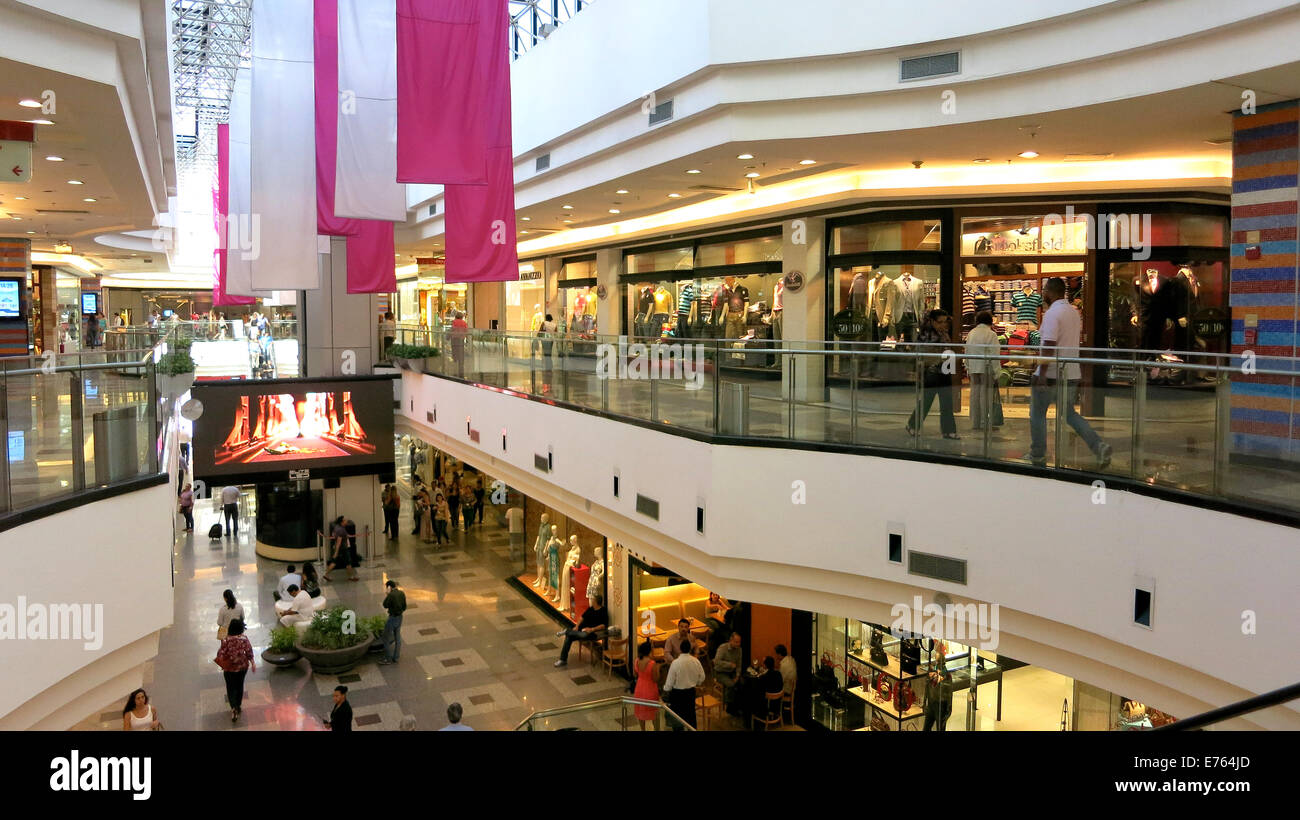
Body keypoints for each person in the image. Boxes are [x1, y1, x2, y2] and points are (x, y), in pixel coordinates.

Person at [1029, 277, 1113, 469]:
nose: (1043, 294)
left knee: (1037, 414)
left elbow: (1049, 344)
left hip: (1050, 374)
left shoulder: (1052, 314)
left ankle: (1037, 454)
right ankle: (1098, 446)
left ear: (1051, 292)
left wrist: (1041, 373)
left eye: (1044, 290)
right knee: (1069, 414)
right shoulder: (1073, 313)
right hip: (1071, 373)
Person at [906, 309, 959, 440]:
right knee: (926, 401)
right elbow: (921, 354)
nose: (942, 325)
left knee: (947, 401)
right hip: (932, 371)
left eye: (944, 322)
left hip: (945, 369)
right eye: (939, 322)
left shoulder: (944, 333)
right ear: (933, 321)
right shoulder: (926, 335)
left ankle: (948, 430)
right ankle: (913, 425)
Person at [964, 310, 1004, 431]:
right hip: (986, 368)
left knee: (975, 395)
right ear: (990, 321)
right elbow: (994, 354)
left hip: (973, 367)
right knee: (985, 396)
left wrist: (967, 367)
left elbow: (967, 351)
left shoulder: (971, 333)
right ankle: (984, 423)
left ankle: (975, 422)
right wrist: (997, 372)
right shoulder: (991, 334)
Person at [214, 618, 255, 722]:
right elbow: (249, 651)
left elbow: (221, 654)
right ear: (241, 628)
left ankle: (233, 708)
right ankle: (238, 705)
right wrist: (253, 663)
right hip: (242, 667)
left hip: (229, 668)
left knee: (230, 687)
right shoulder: (244, 638)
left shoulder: (226, 640)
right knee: (239, 685)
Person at [662, 636, 706, 729]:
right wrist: (696, 683)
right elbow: (702, 677)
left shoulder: (676, 663)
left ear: (680, 649)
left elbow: (669, 683)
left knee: (677, 719)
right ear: (690, 649)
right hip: (690, 692)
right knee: (691, 716)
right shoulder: (696, 661)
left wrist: (665, 690)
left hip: (677, 694)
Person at [554, 594, 609, 667]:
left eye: (593, 600)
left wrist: (592, 629)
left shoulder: (603, 611)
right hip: (581, 630)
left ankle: (566, 631)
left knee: (582, 634)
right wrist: (577, 626)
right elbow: (581, 617)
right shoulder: (591, 609)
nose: (591, 601)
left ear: (596, 602)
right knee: (569, 637)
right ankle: (562, 660)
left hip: (592, 633)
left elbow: (603, 625)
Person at [632, 640, 662, 731]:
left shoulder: (637, 660)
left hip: (639, 688)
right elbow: (656, 679)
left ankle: (643, 729)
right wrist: (659, 668)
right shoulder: (652, 663)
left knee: (640, 711)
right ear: (649, 651)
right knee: (654, 712)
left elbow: (635, 674)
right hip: (650, 689)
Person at [750, 656, 785, 727]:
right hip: (778, 703)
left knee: (751, 696)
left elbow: (759, 691)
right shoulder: (778, 673)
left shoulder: (764, 677)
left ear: (765, 665)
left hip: (768, 705)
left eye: (763, 663)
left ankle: (752, 722)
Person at [713, 631, 743, 715]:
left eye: (739, 642)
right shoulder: (723, 648)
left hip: (732, 672)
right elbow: (716, 662)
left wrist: (737, 675)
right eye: (736, 642)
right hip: (720, 672)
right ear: (731, 640)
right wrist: (729, 665)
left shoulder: (739, 650)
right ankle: (729, 707)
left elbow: (739, 665)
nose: (738, 644)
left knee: (742, 683)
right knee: (731, 684)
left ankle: (739, 705)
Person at [379, 580, 407, 665]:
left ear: (389, 587)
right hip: (400, 617)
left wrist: (387, 594)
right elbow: (404, 606)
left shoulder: (391, 595)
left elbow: (385, 605)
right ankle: (396, 657)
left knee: (385, 637)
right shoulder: (402, 593)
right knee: (397, 637)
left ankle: (387, 659)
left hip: (392, 618)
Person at [923, 667, 954, 731]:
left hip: (941, 706)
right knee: (926, 728)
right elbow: (927, 689)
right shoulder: (931, 673)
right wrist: (924, 703)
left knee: (940, 728)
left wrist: (949, 708)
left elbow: (950, 692)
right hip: (931, 704)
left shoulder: (947, 675)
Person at [538, 313, 558, 392]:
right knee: (549, 353)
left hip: (545, 340)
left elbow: (540, 331)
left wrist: (537, 338)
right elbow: (556, 333)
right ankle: (549, 367)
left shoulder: (544, 323)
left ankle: (547, 367)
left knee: (546, 354)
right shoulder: (554, 324)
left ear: (546, 318)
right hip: (551, 340)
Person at [450, 311, 469, 377]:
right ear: (462, 317)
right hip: (461, 340)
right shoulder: (464, 323)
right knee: (461, 352)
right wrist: (466, 339)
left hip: (454, 340)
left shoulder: (454, 322)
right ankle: (461, 368)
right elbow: (466, 331)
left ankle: (455, 366)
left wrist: (448, 337)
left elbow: (451, 330)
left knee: (454, 352)